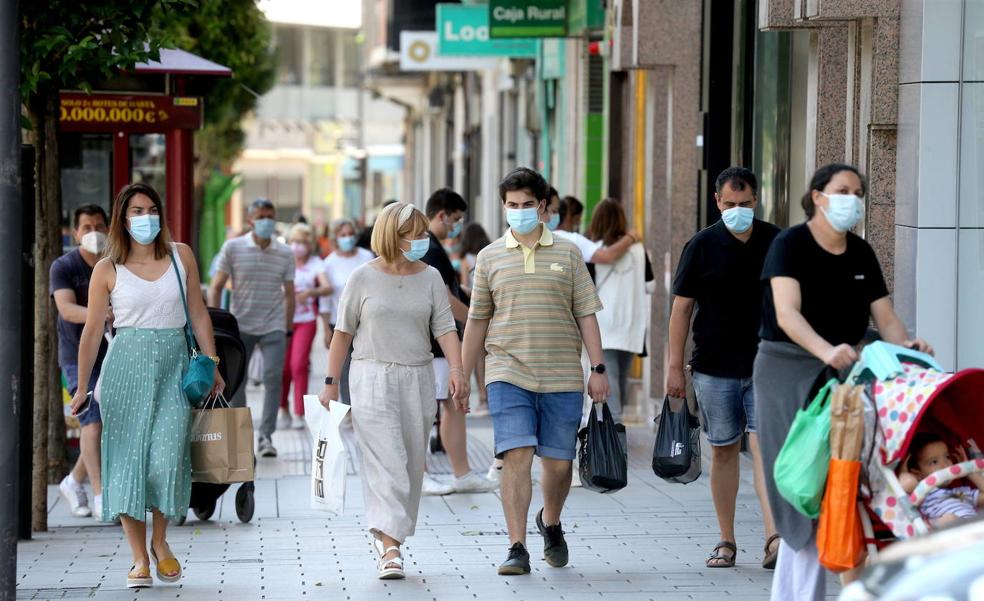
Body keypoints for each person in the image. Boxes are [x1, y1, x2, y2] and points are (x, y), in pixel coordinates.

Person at [755, 163, 933, 601]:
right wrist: (825, 350)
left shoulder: (861, 252)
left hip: (845, 373)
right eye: (841, 190)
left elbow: (885, 316)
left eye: (857, 192)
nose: (851, 199)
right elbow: (786, 313)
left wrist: (908, 348)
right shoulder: (789, 244)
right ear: (817, 195)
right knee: (799, 479)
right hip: (787, 371)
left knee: (840, 483)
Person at [70, 183, 224, 588]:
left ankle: (161, 542)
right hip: (125, 370)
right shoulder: (107, 268)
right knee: (126, 462)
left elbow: (199, 313)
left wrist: (211, 363)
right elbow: (90, 334)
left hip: (174, 366)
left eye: (151, 209)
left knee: (166, 457)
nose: (146, 218)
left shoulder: (181, 255)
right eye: (136, 211)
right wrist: (82, 386)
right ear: (123, 218)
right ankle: (138, 557)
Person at [462, 167, 610, 576]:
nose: (520, 212)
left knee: (559, 464)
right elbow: (476, 321)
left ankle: (551, 521)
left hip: (562, 374)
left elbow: (586, 314)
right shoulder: (489, 258)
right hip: (507, 372)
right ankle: (516, 546)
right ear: (503, 207)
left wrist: (598, 368)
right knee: (517, 455)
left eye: (528, 205)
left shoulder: (568, 254)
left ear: (543, 206)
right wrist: (461, 373)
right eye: (512, 205)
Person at [317, 202, 468, 580]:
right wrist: (331, 383)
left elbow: (445, 328)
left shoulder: (431, 277)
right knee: (387, 461)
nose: (421, 240)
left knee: (411, 464)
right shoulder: (362, 278)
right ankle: (391, 548)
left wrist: (457, 369)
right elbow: (343, 333)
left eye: (422, 232)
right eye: (413, 234)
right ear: (391, 235)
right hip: (371, 377)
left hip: (417, 378)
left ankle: (388, 533)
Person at [666, 167, 781, 570]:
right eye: (730, 204)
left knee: (765, 447)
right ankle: (726, 540)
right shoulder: (701, 245)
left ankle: (774, 537)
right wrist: (674, 366)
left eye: (745, 204)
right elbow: (681, 308)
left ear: (757, 200)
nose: (738, 211)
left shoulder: (777, 241)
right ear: (717, 202)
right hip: (714, 366)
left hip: (767, 364)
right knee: (723, 450)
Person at [420, 188, 496, 496]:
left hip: (437, 341)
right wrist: (478, 321)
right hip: (434, 342)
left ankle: (461, 472)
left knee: (450, 405)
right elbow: (445, 298)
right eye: (455, 220)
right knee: (437, 407)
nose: (457, 226)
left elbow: (451, 290)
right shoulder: (430, 247)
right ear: (441, 215)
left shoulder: (432, 246)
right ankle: (427, 473)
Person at [208, 198, 295, 458]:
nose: (266, 221)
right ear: (250, 220)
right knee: (237, 382)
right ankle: (242, 438)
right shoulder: (233, 248)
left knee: (273, 378)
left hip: (273, 325)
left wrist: (287, 328)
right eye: (260, 216)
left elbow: (290, 293)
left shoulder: (285, 253)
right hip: (239, 326)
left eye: (270, 216)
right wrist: (217, 323)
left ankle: (266, 436)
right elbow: (216, 286)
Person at [51, 204, 111, 519]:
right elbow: (67, 309)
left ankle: (74, 481)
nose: (93, 233)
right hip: (76, 355)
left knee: (103, 424)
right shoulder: (63, 267)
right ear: (75, 233)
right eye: (86, 227)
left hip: (113, 353)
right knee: (93, 421)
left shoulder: (115, 263)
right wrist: (101, 313)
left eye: (99, 226)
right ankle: (101, 495)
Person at [586, 198, 654, 427]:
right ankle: (614, 433)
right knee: (619, 382)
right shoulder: (638, 250)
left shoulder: (592, 251)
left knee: (610, 383)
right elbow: (651, 286)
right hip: (631, 327)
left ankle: (613, 442)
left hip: (602, 327)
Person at [278, 223, 331, 430]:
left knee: (298, 365)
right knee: (283, 369)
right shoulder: (283, 261)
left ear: (310, 245)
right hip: (282, 320)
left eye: (303, 242)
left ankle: (299, 412)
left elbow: (327, 287)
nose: (298, 246)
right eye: (295, 241)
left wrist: (310, 293)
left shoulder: (317, 263)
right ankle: (282, 407)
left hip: (306, 321)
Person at [320, 217, 375, 403]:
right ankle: (349, 406)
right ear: (335, 238)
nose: (348, 238)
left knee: (365, 363)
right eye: (343, 235)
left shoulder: (367, 257)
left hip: (366, 320)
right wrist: (326, 328)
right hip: (340, 322)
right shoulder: (328, 263)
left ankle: (365, 402)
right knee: (343, 366)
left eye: (351, 234)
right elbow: (325, 299)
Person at [899, 434, 984, 527]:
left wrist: (968, 470)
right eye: (934, 462)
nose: (945, 464)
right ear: (917, 473)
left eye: (947, 457)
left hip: (976, 531)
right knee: (949, 519)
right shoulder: (921, 494)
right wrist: (903, 473)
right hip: (945, 533)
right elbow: (907, 483)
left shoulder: (960, 493)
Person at [544, 188, 638, 266]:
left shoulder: (541, 239)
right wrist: (631, 237)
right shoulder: (572, 240)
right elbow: (607, 256)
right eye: (554, 211)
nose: (580, 222)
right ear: (569, 217)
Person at [458, 223, 492, 417]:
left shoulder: (466, 259)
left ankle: (482, 398)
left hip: (475, 308)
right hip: (491, 309)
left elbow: (465, 285)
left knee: (477, 354)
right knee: (488, 354)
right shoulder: (489, 254)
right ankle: (489, 396)